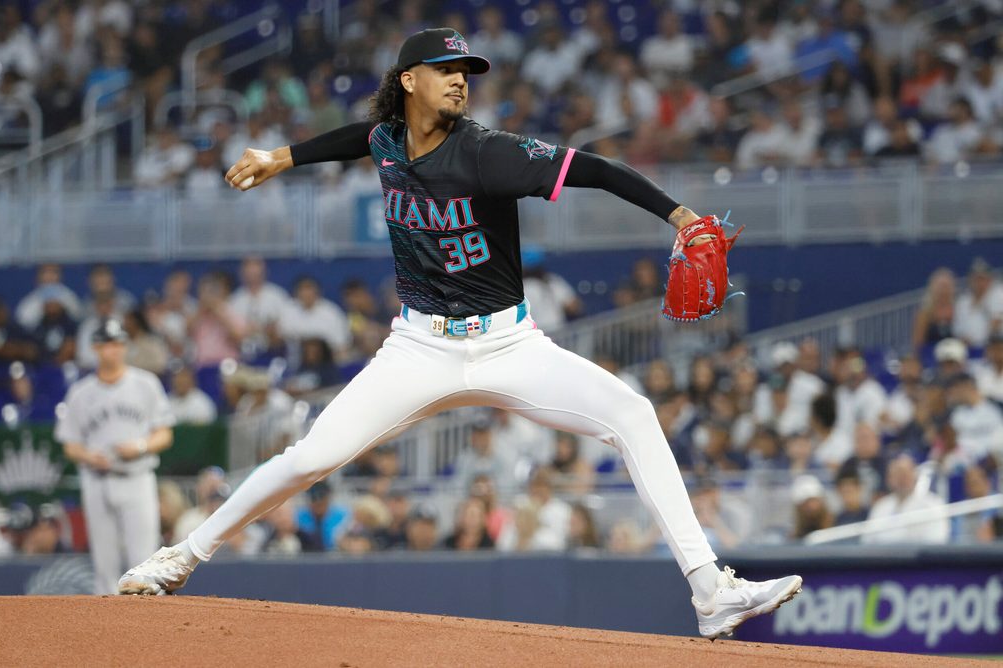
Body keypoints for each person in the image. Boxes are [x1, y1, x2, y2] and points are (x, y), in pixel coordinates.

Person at [119, 28, 801, 639]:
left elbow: (593, 168)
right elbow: (359, 137)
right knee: (309, 457)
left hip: (509, 345)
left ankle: (711, 592)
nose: (459, 80)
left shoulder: (489, 153)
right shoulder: (387, 139)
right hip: (417, 348)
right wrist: (283, 157)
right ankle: (181, 556)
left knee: (633, 414)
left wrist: (681, 216)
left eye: (465, 72)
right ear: (408, 81)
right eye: (445, 69)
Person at [55, 318, 175, 594]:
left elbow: (165, 434)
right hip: (97, 480)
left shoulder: (145, 384)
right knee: (104, 561)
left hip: (137, 476)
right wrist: (88, 457)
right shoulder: (80, 392)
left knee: (144, 559)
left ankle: (146, 614)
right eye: (108, 344)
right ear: (96, 348)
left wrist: (140, 447)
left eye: (119, 343)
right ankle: (108, 619)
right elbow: (69, 444)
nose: (115, 349)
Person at [862, 454, 949, 545]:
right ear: (889, 479)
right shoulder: (881, 506)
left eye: (904, 474)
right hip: (881, 553)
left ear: (915, 476)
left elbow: (937, 541)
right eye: (896, 474)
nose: (901, 479)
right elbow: (867, 541)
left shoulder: (933, 504)